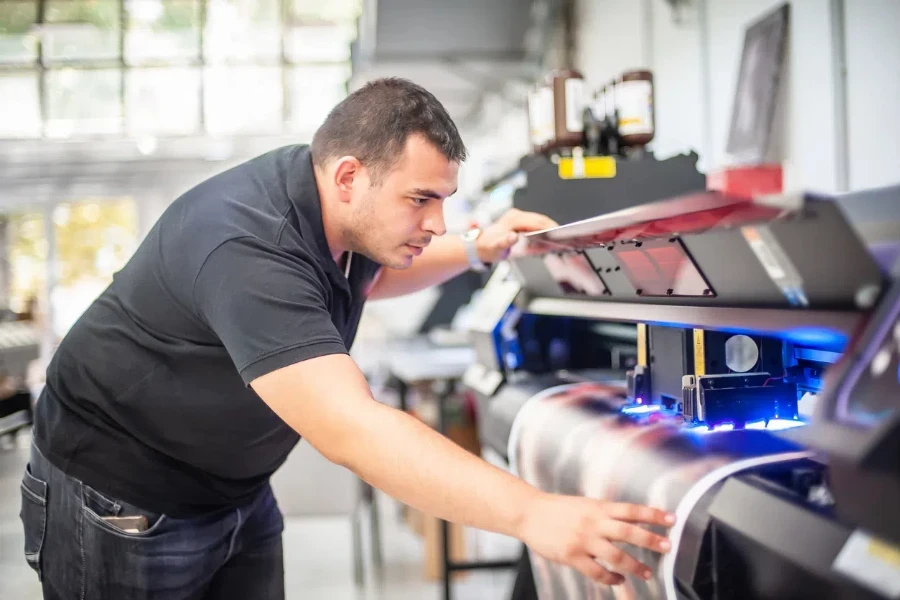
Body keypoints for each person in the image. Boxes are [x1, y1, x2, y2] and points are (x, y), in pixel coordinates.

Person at [20, 78, 675, 599]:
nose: (435, 220)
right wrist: (534, 515)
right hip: (122, 496)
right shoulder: (249, 245)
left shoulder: (335, 212)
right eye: (421, 199)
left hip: (234, 489)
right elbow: (352, 431)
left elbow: (376, 275)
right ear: (348, 177)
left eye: (443, 201)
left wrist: (478, 246)